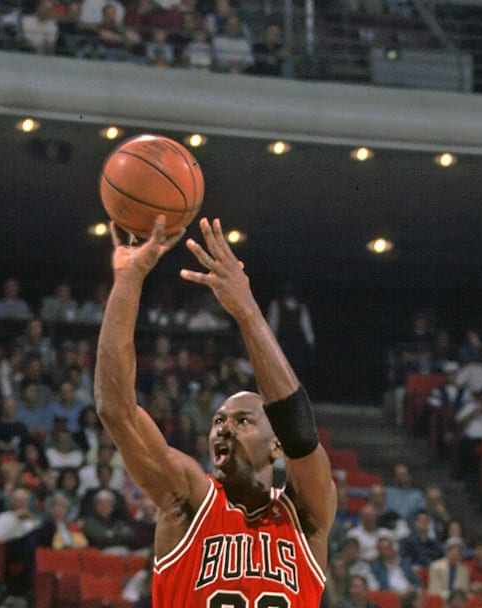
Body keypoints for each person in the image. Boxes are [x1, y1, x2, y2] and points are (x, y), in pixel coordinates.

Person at [94, 217, 336, 606]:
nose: (224, 428)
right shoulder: (189, 498)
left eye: (242, 421)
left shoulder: (306, 511)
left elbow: (300, 432)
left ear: (277, 446)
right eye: (218, 420)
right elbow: (115, 410)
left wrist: (247, 312)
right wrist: (128, 281)